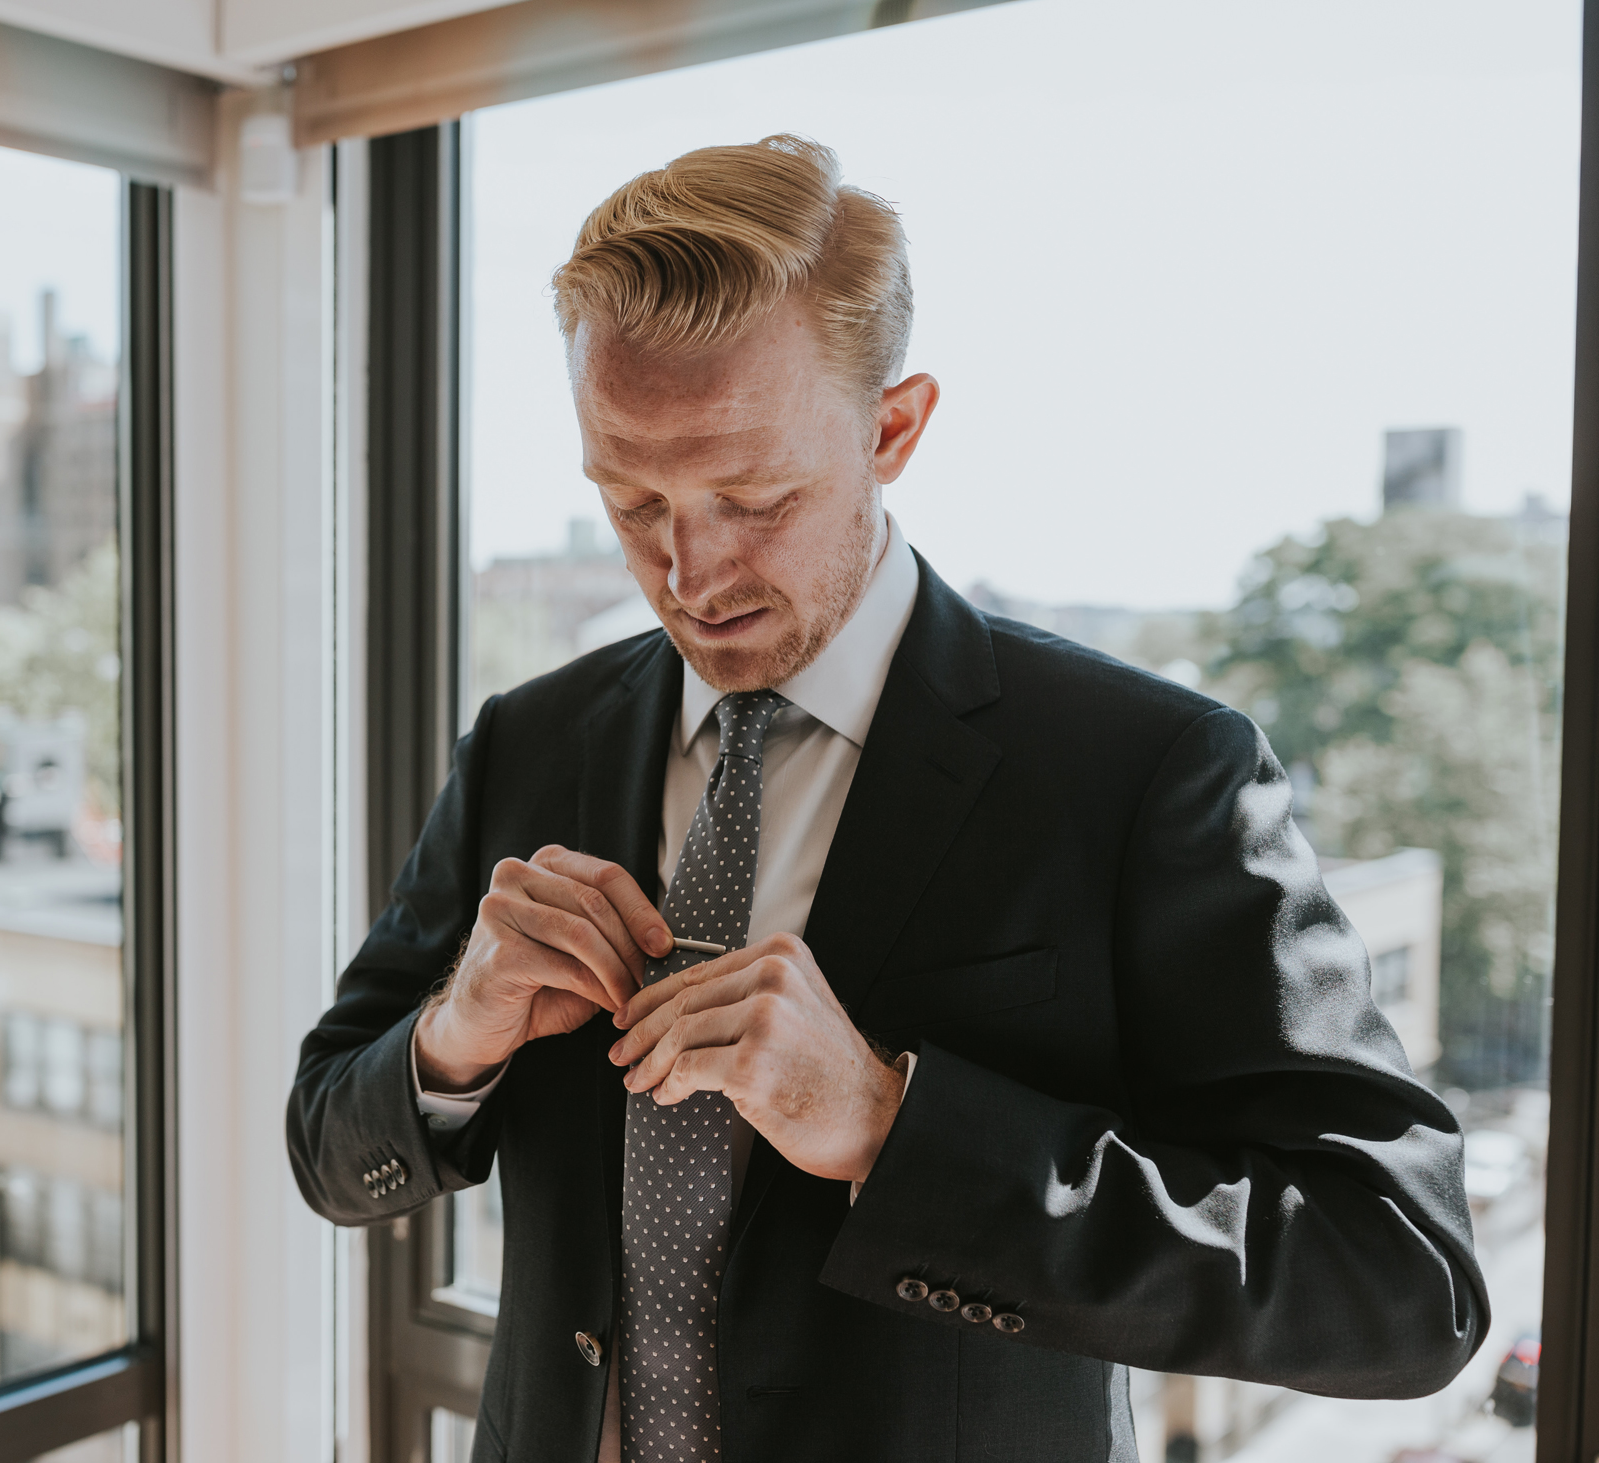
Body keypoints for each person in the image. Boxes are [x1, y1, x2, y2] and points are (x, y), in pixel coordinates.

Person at [287, 134, 1486, 1462]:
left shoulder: (1144, 770)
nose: (687, 571)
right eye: (628, 499)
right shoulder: (530, 741)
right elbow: (328, 1150)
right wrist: (457, 1032)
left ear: (893, 428)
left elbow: (1399, 1286)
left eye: (751, 495)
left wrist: (888, 1128)